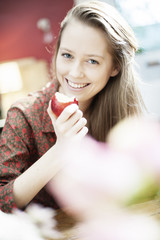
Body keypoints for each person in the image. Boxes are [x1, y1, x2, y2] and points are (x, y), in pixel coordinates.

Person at [0, 0, 145, 213]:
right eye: (67, 55)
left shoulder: (123, 112)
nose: (75, 72)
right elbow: (2, 200)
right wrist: (61, 149)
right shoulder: (24, 115)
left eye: (92, 61)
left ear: (115, 66)